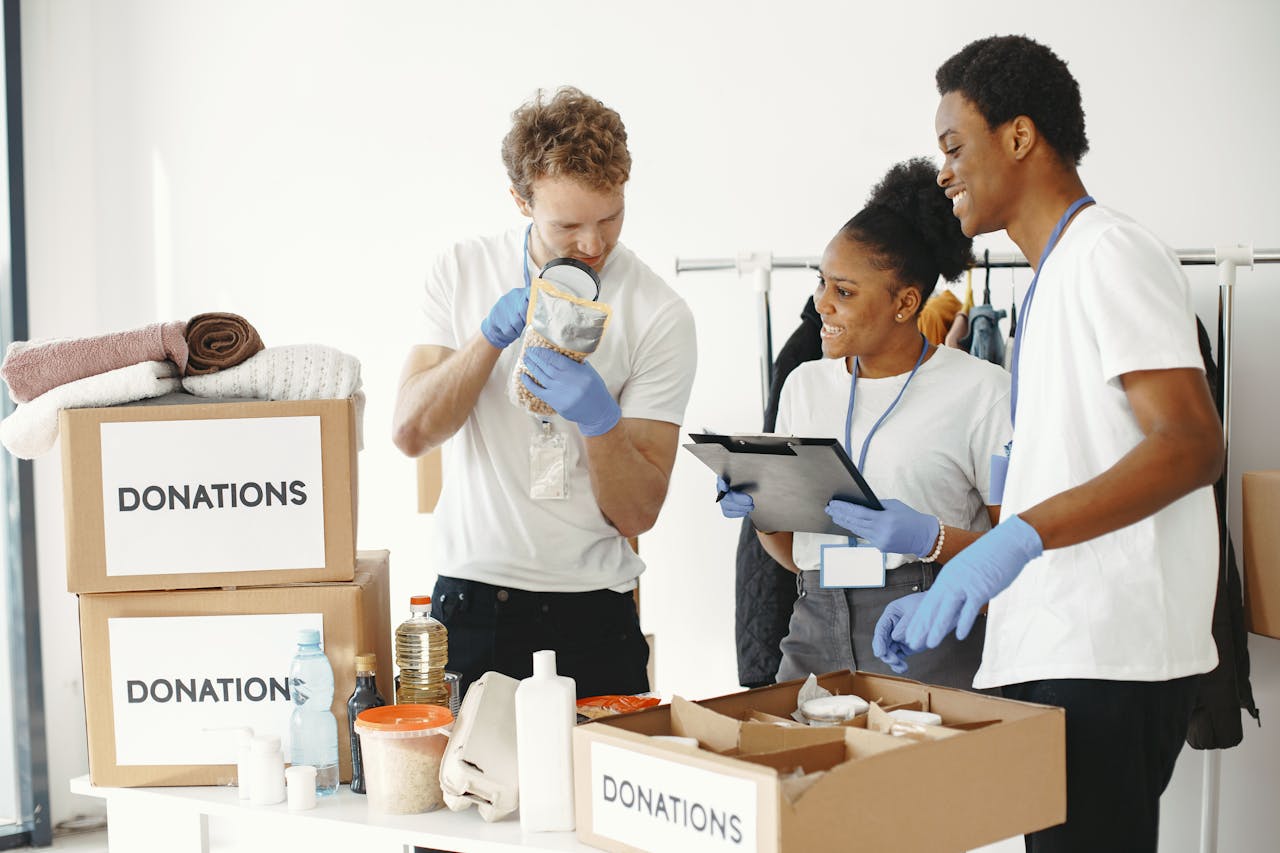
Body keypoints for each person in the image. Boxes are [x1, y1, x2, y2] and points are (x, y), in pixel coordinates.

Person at [878, 35, 1223, 852]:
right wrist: (968, 575)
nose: (945, 172)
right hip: (1065, 653)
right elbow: (1072, 473)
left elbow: (1190, 443)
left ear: (1021, 136)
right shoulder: (1052, 279)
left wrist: (1019, 539)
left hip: (1107, 661)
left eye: (954, 147)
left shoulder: (1108, 252)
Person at [392, 86, 697, 700]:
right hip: (474, 601)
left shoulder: (659, 312)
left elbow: (638, 514)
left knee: (598, 796)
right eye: (567, 225)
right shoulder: (460, 271)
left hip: (595, 613)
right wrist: (485, 342)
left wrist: (601, 421)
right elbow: (410, 433)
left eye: (610, 217)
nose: (592, 245)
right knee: (465, 792)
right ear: (521, 201)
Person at [717, 158, 1011, 689]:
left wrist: (932, 539)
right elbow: (791, 554)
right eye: (821, 282)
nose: (821, 304)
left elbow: (1019, 552)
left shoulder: (982, 391)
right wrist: (763, 509)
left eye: (844, 292)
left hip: (928, 630)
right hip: (814, 622)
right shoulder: (804, 386)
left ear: (905, 303)